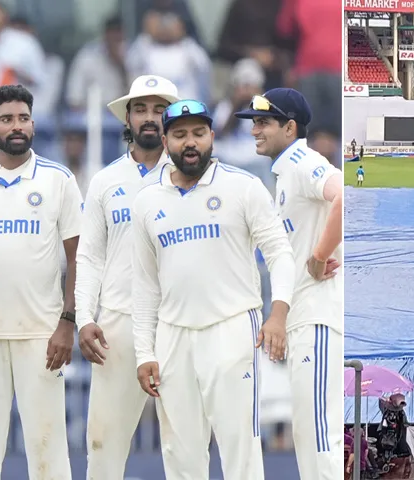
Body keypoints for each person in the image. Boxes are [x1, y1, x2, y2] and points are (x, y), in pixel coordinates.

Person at [131, 99, 296, 480]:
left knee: (240, 450)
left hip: (232, 329)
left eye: (199, 133)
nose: (191, 143)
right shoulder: (147, 202)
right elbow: (145, 285)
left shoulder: (243, 187)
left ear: (212, 137)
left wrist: (279, 313)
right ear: (167, 141)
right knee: (180, 454)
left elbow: (280, 254)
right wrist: (144, 352)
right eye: (181, 135)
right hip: (173, 337)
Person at [74, 75, 180, 480]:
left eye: (158, 110)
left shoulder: (194, 176)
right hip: (116, 322)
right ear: (128, 118)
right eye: (141, 109)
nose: (150, 118)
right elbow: (89, 257)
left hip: (177, 322)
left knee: (182, 446)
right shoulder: (105, 181)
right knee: (103, 448)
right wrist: (85, 318)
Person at [236, 88, 344, 480]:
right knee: (309, 435)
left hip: (317, 316)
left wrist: (318, 256)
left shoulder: (302, 161)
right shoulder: (285, 172)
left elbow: (343, 198)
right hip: (305, 317)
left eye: (263, 122)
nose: (255, 131)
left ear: (290, 127)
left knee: (319, 438)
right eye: (254, 123)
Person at [0, 84, 83, 479]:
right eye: (6, 119)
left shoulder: (58, 179)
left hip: (42, 335)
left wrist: (67, 322)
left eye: (23, 118)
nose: (16, 126)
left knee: (47, 452)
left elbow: (80, 257)